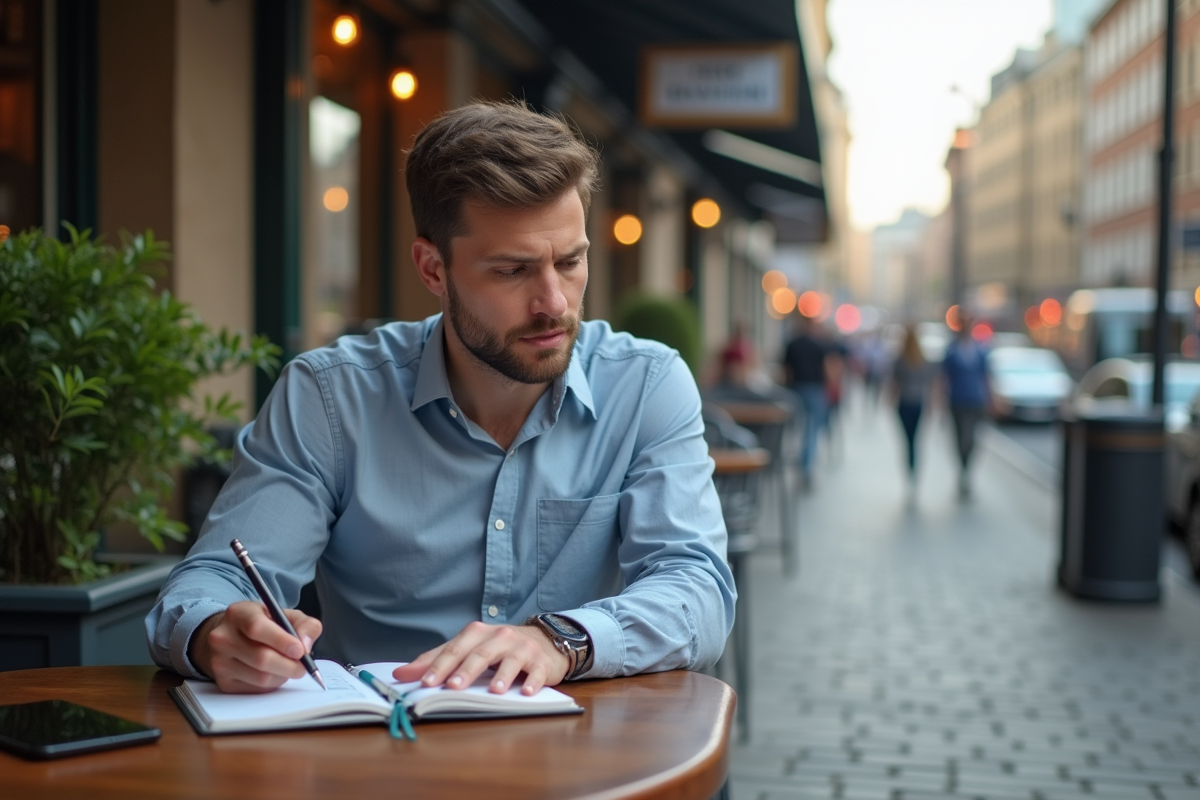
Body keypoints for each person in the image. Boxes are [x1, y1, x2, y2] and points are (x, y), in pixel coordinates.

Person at [146, 101, 736, 697]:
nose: (554, 302)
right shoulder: (331, 397)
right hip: (386, 760)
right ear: (433, 268)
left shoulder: (645, 385)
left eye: (571, 261)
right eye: (512, 270)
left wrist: (562, 640)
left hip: (580, 764)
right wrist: (219, 632)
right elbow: (211, 582)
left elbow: (698, 587)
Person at [941, 315, 991, 498]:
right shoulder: (952, 350)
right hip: (957, 401)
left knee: (970, 439)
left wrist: (991, 399)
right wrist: (939, 403)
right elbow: (943, 379)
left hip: (976, 401)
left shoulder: (980, 350)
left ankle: (967, 472)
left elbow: (986, 376)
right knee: (959, 439)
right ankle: (963, 471)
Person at [782, 315, 829, 488]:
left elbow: (786, 370)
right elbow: (826, 369)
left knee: (798, 429)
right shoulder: (818, 345)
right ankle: (806, 466)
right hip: (814, 390)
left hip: (796, 390)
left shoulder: (792, 344)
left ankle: (802, 462)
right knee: (811, 430)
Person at [890, 325, 937, 489]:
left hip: (904, 403)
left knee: (907, 440)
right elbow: (930, 386)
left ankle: (910, 468)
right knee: (915, 440)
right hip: (918, 403)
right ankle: (914, 469)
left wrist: (889, 401)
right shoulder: (922, 360)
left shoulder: (900, 359)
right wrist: (931, 405)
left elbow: (894, 385)